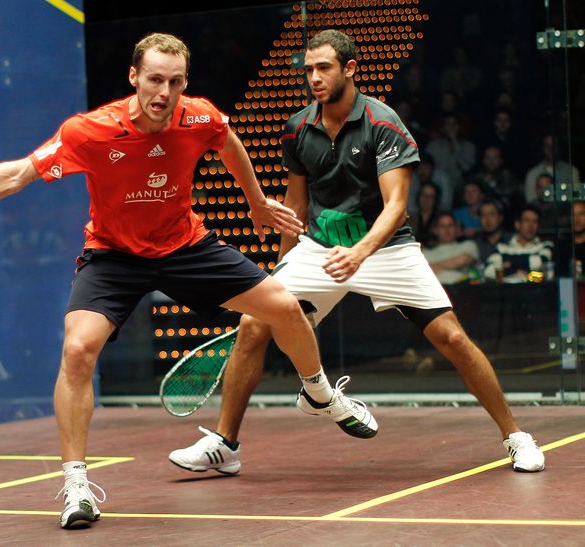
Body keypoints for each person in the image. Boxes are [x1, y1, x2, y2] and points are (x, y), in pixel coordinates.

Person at [0, 32, 378, 529]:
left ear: (184, 83)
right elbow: (19, 173)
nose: (163, 92)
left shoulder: (200, 116)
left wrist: (254, 200)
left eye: (174, 82)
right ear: (134, 78)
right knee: (78, 349)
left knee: (283, 306)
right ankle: (77, 485)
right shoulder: (91, 131)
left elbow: (227, 142)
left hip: (185, 246)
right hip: (114, 256)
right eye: (154, 80)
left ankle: (319, 393)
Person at [169, 29, 545, 477]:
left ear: (350, 69)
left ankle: (515, 435)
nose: (314, 77)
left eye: (323, 68)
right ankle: (225, 445)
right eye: (308, 69)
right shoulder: (298, 128)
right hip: (321, 248)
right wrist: (278, 270)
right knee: (254, 323)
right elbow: (296, 207)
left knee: (452, 339)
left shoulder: (384, 124)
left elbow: (397, 207)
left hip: (386, 249)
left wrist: (361, 252)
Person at [484, 205, 553, 283]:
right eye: (526, 221)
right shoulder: (502, 247)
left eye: (535, 221)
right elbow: (488, 271)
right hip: (508, 293)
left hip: (536, 293)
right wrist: (516, 272)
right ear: (517, 224)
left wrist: (509, 264)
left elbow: (542, 265)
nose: (531, 226)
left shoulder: (545, 246)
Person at [423, 212, 479, 284]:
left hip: (463, 289)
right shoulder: (426, 253)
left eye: (450, 225)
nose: (447, 230)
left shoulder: (468, 245)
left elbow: (462, 261)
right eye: (442, 226)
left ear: (456, 229)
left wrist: (432, 267)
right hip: (435, 291)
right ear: (435, 230)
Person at [472, 198, 512, 269]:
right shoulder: (474, 244)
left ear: (500, 218)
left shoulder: (513, 240)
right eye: (483, 215)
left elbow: (537, 276)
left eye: (492, 214)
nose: (487, 220)